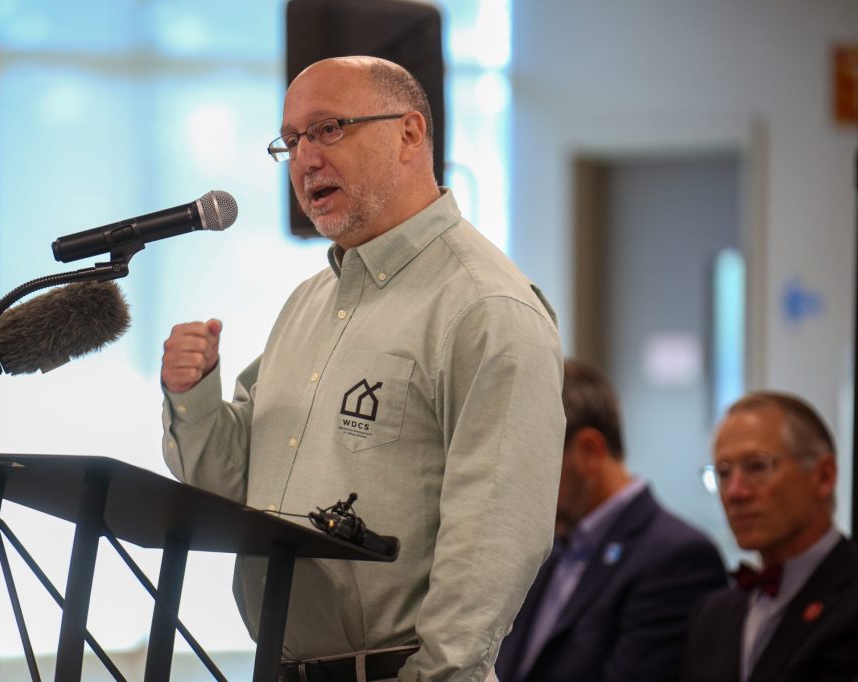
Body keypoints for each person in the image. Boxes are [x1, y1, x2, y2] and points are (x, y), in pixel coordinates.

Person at [160, 56, 565, 681]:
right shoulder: (308, 303)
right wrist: (194, 400)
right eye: (290, 141)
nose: (304, 160)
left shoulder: (486, 308)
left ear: (408, 134)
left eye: (327, 129)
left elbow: (495, 539)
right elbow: (231, 485)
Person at [494, 359, 727, 682]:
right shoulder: (545, 550)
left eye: (527, 461)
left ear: (589, 451)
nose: (514, 482)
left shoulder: (679, 559)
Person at [682, 391, 858, 682]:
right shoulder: (713, 616)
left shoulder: (850, 599)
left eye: (757, 466)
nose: (735, 492)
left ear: (824, 476)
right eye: (723, 473)